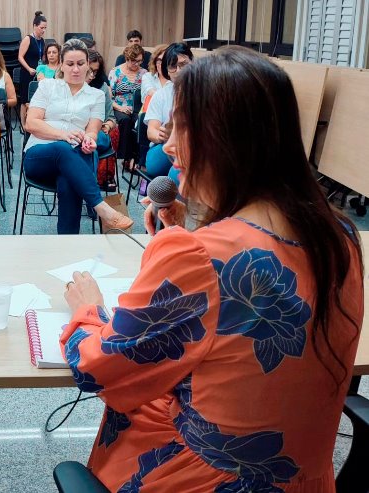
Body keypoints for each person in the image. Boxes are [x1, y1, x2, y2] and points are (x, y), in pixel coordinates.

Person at [61, 45, 363, 493]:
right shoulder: (340, 235)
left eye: (181, 126)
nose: (168, 144)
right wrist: (194, 227)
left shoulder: (197, 256)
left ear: (224, 139)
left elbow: (96, 369)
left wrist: (88, 311)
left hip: (205, 480)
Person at [23, 39, 134, 235]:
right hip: (39, 157)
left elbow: (92, 131)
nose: (75, 69)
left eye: (80, 64)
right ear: (62, 65)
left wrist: (90, 141)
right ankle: (100, 206)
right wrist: (63, 135)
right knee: (62, 147)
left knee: (69, 180)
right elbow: (31, 123)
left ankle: (68, 244)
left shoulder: (97, 96)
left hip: (73, 161)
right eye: (70, 64)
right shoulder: (47, 86)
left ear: (88, 66)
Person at [145, 43, 193, 184]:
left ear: (193, 63)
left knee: (175, 176)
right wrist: (161, 135)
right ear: (166, 69)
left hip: (192, 147)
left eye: (184, 64)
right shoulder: (161, 95)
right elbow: (151, 131)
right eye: (173, 67)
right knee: (153, 166)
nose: (179, 71)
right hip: (166, 144)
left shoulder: (202, 91)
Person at [108, 44, 146, 164]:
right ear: (127, 59)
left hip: (137, 108)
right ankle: (124, 157)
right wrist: (120, 107)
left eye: (139, 61)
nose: (137, 64)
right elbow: (109, 97)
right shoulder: (116, 72)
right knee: (125, 121)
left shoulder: (144, 73)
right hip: (119, 106)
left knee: (140, 121)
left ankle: (138, 157)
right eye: (134, 61)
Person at [87, 51, 118, 191]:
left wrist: (107, 125)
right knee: (89, 149)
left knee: (89, 143)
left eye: (95, 71)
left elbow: (111, 117)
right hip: (79, 135)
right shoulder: (70, 85)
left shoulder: (102, 88)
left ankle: (88, 194)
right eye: (89, 70)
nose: (92, 75)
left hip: (99, 134)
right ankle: (92, 195)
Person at [17, 11, 47, 127]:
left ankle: (33, 123)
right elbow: (20, 57)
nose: (43, 30)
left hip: (38, 73)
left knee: (36, 100)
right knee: (25, 101)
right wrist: (29, 68)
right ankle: (24, 125)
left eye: (45, 28)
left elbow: (42, 57)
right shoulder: (28, 39)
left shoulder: (42, 41)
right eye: (41, 28)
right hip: (27, 72)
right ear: (35, 26)